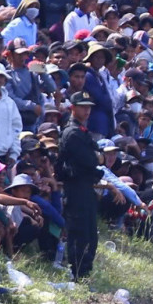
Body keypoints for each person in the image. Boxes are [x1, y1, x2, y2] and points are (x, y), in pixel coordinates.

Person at [59, 91, 102, 279]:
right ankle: (77, 272)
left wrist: (97, 157)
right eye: (83, 107)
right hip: (76, 186)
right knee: (80, 232)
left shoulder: (81, 131)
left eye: (88, 107)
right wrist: (96, 157)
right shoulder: (72, 132)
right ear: (72, 108)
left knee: (90, 232)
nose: (87, 111)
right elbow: (91, 159)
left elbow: (97, 154)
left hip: (86, 186)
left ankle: (84, 271)